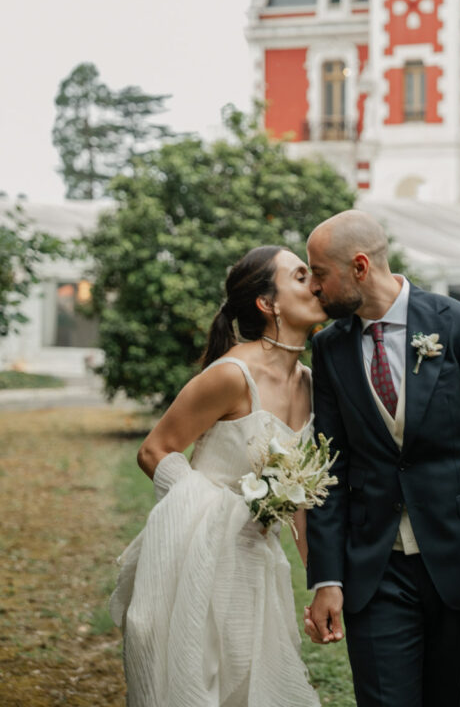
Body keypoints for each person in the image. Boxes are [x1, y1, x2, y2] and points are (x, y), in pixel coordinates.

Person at [303, 211, 460, 707]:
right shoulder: (327, 349)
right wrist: (327, 578)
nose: (314, 289)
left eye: (320, 274)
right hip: (375, 572)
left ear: (360, 267)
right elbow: (330, 470)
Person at [109, 245, 326, 707]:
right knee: (198, 681)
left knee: (253, 684)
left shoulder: (311, 383)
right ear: (268, 304)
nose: (317, 284)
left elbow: (301, 495)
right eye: (302, 276)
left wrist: (322, 583)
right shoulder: (231, 374)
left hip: (259, 560)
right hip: (198, 554)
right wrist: (205, 509)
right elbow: (154, 450)